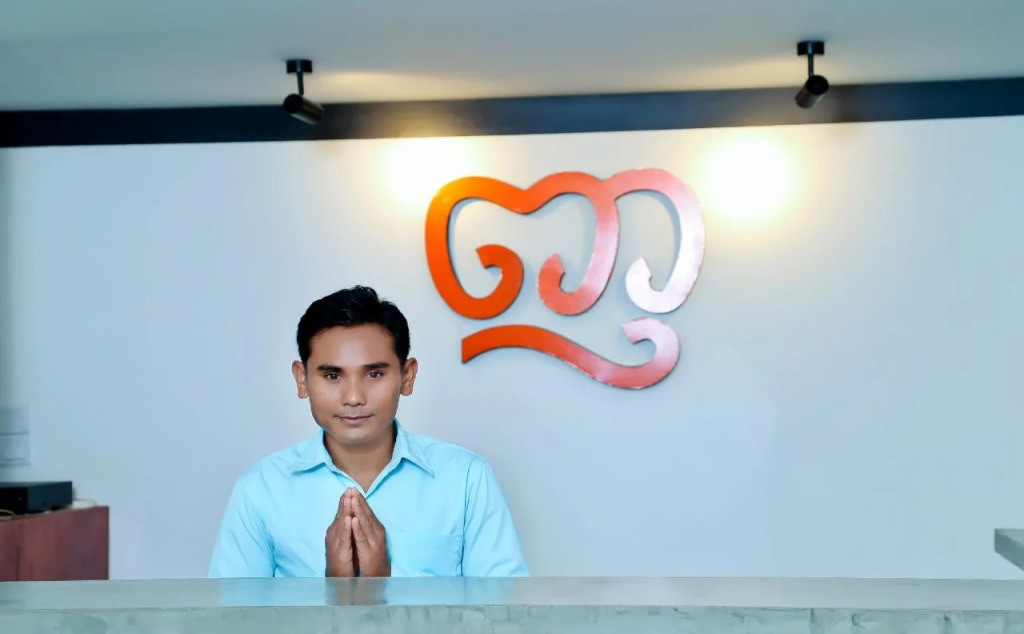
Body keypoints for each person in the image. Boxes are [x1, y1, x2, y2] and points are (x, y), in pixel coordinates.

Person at [208, 285, 528, 578]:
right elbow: (230, 617)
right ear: (302, 379)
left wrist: (382, 583)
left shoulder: (467, 479)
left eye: (374, 374)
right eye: (332, 376)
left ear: (407, 376)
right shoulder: (261, 489)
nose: (353, 397)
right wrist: (334, 589)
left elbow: (505, 615)